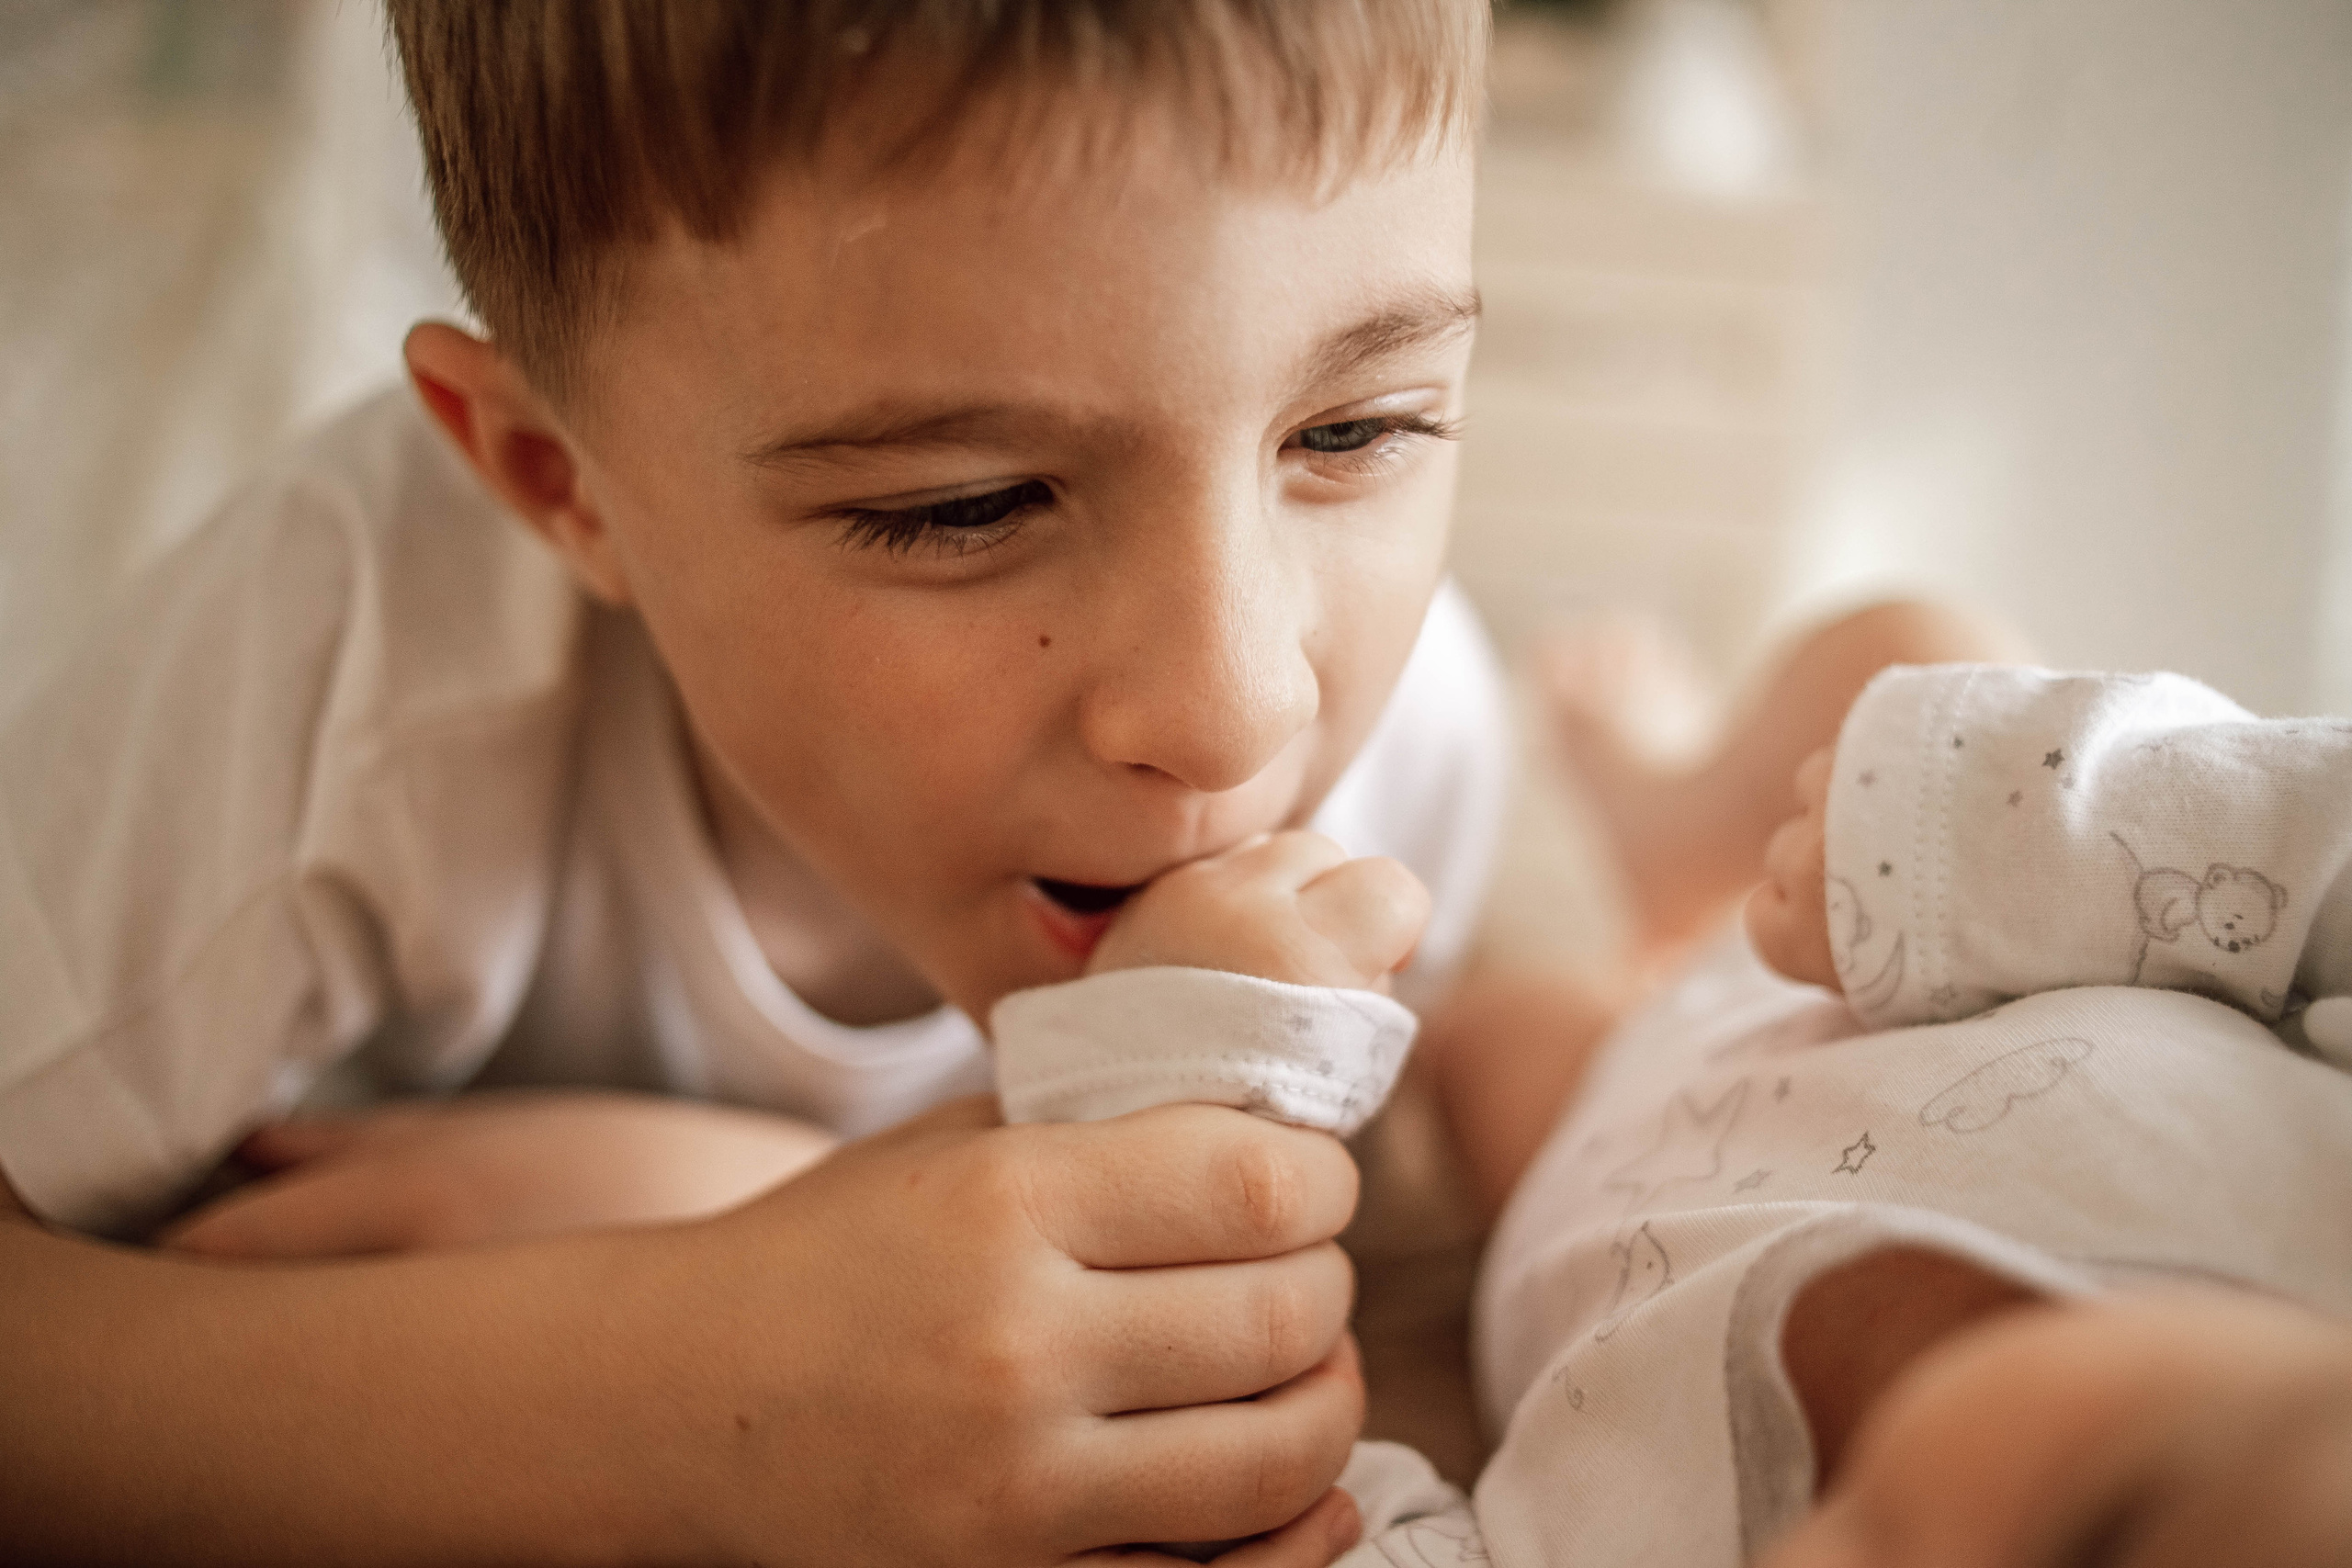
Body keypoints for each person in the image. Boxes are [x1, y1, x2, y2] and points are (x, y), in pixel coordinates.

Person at [0, 4, 1499, 1561]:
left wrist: (717, 1199)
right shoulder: (346, 666)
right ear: (556, 482)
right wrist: (650, 1374)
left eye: (1360, 427)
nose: (1238, 708)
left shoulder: (1415, 726)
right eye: (962, 507)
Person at [1390, 604, 2352, 1566]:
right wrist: (1958, 846)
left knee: (1483, 1032)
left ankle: (1652, 951)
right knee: (1905, 653)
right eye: (2088, 1546)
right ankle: (1681, 844)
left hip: (1604, 1142)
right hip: (1917, 943)